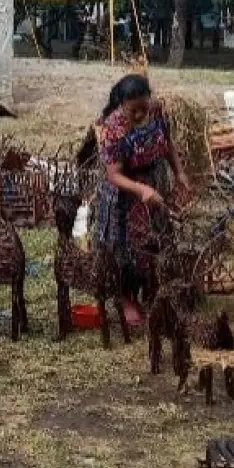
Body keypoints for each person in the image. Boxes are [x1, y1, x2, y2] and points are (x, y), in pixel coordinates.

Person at [91, 74, 191, 310]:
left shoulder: (157, 111)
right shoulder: (113, 126)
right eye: (132, 110)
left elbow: (167, 143)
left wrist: (179, 173)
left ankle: (153, 291)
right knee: (123, 246)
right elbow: (113, 175)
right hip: (124, 189)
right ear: (122, 105)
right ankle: (126, 299)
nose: (138, 115)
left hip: (152, 179)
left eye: (142, 109)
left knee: (155, 239)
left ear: (149, 99)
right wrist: (142, 189)